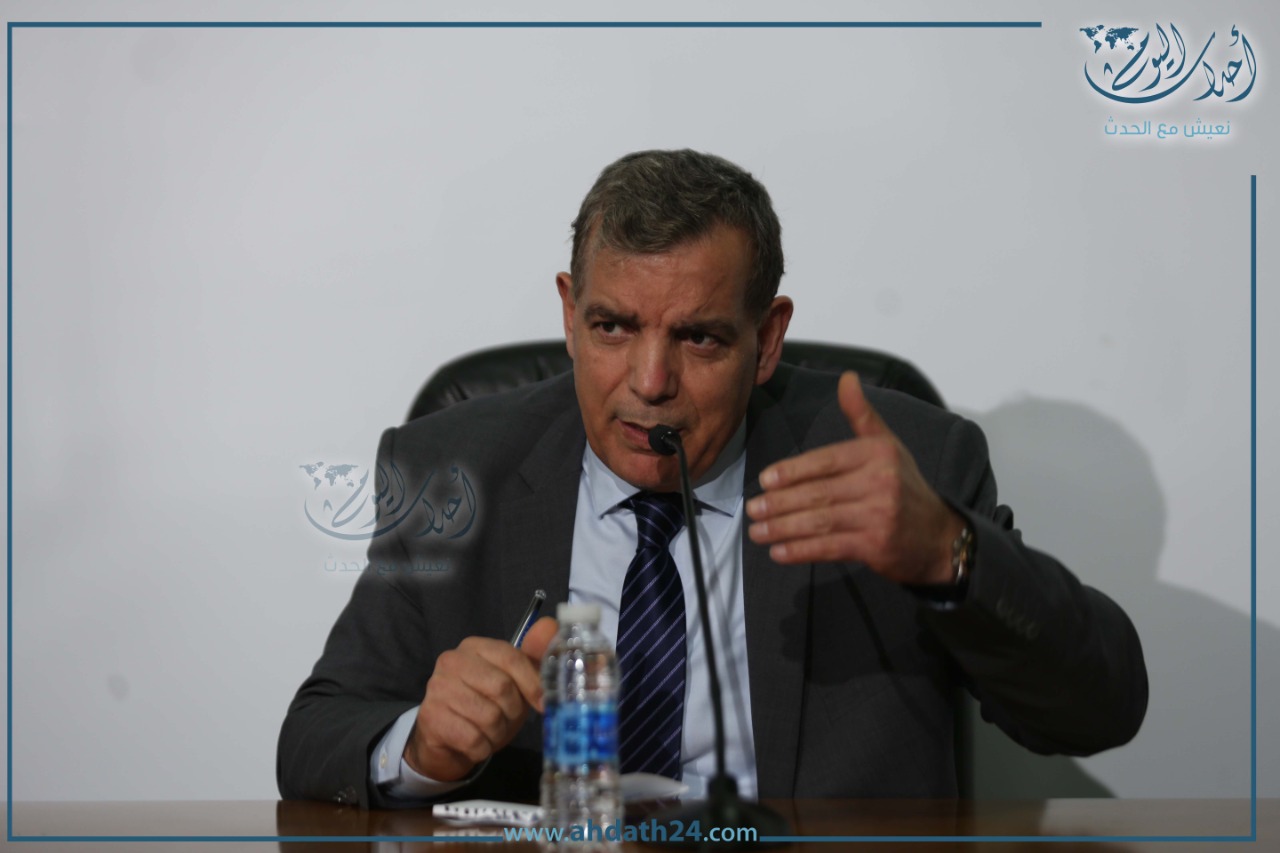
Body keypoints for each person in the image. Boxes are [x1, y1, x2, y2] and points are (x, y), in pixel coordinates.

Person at [277, 149, 1147, 808]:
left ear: (767, 340)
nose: (650, 381)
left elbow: (1098, 709)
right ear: (569, 316)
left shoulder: (902, 464)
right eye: (613, 327)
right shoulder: (454, 469)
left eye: (699, 338)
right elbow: (315, 734)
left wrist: (949, 555)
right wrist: (420, 748)